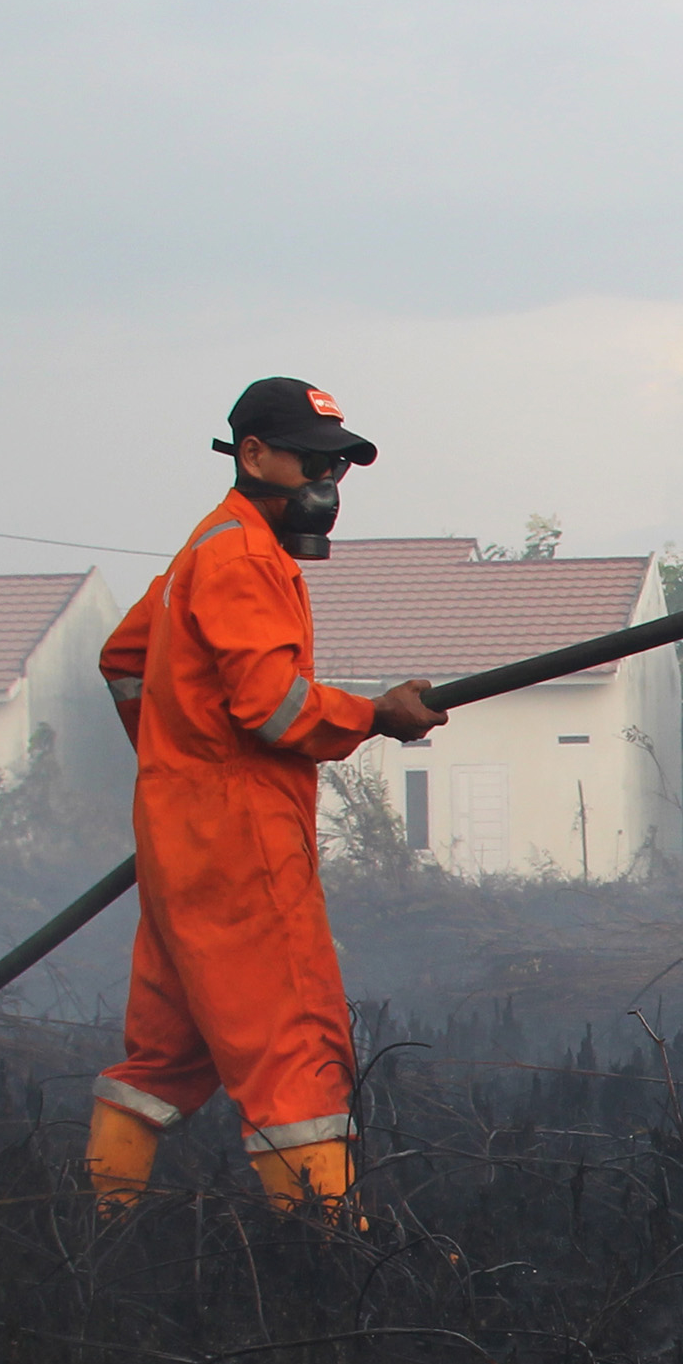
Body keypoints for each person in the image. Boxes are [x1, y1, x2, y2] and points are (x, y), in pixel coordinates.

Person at [83, 377, 442, 1215]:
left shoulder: (204, 547)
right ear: (252, 455)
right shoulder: (244, 558)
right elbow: (271, 705)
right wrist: (376, 714)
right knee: (296, 1052)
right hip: (244, 846)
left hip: (184, 845)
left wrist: (177, 769)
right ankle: (335, 1262)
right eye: (312, 462)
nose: (327, 484)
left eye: (338, 467)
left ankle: (95, 1229)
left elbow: (125, 660)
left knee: (164, 1054)